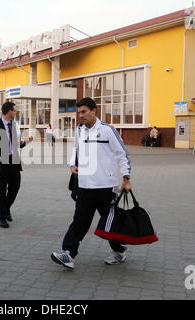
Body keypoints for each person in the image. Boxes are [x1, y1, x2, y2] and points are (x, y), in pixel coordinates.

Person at [51, 97, 132, 270]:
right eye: (79, 112)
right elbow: (75, 149)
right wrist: (72, 164)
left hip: (105, 187)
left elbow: (122, 154)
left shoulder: (107, 130)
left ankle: (119, 251)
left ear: (94, 111)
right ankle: (68, 254)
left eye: (84, 112)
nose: (80, 115)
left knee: (109, 223)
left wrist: (126, 178)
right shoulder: (79, 130)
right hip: (84, 186)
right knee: (79, 221)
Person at [0, 102, 26, 229]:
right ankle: (1, 217)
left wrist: (22, 143)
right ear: (9, 111)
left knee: (15, 186)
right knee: (2, 188)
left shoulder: (14, 125)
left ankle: (6, 208)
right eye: (14, 110)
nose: (15, 112)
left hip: (13, 160)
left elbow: (15, 144)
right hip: (0, 161)